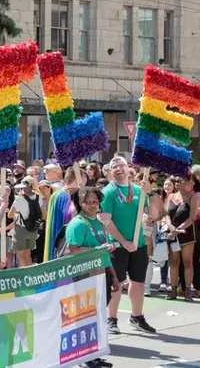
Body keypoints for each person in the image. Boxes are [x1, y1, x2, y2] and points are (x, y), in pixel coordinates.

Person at [100, 156, 159, 334]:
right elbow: (106, 222)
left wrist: (151, 193)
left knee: (138, 283)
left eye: (121, 165)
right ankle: (111, 319)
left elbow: (154, 214)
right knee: (115, 284)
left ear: (128, 168)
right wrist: (123, 242)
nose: (118, 168)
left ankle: (137, 317)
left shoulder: (139, 191)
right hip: (116, 246)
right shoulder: (108, 192)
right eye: (114, 166)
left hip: (138, 245)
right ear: (111, 171)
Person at [65, 187, 120, 368]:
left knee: (97, 316)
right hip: (83, 277)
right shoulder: (78, 224)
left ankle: (93, 354)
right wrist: (99, 249)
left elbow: (104, 254)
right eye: (87, 202)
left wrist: (113, 276)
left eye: (95, 201)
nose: (92, 205)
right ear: (80, 204)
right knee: (85, 317)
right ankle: (84, 357)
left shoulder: (98, 223)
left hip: (101, 275)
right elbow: (73, 251)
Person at [164, 173, 198, 301]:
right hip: (173, 234)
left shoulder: (192, 197)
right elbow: (166, 214)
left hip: (187, 234)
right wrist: (171, 227)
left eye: (180, 181)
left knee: (188, 262)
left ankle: (187, 291)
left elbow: (192, 217)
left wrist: (179, 229)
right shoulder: (171, 196)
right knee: (173, 261)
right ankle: (172, 290)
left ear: (187, 182)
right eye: (176, 181)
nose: (177, 183)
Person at [9, 177, 45, 267]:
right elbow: (44, 215)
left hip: (21, 230)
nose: (22, 189)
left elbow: (9, 215)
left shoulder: (19, 199)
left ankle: (23, 277)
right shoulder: (38, 198)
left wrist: (17, 214)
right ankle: (30, 275)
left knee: (21, 256)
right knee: (27, 254)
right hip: (33, 230)